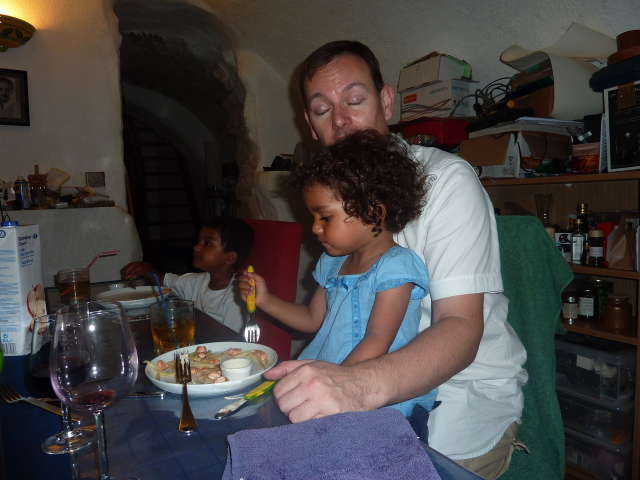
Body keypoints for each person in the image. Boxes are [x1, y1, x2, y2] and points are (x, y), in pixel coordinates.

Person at [262, 40, 528, 479]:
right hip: (355, 375)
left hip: (459, 388)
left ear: (386, 102)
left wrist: (354, 385)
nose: (340, 120)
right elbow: (324, 316)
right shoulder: (332, 202)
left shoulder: (446, 181)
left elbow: (459, 327)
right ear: (310, 124)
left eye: (354, 100)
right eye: (323, 109)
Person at [240, 129, 438, 424]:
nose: (315, 228)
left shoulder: (397, 266)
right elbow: (312, 318)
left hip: (377, 403)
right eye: (314, 217)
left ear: (374, 212)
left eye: (325, 217)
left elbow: (377, 339)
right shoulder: (332, 263)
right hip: (328, 390)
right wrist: (265, 299)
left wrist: (337, 382)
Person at [123, 216, 254, 332]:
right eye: (199, 241)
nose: (196, 247)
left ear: (229, 257)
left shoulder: (237, 297)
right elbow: (163, 281)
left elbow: (232, 338)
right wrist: (147, 269)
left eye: (207, 243)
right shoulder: (195, 281)